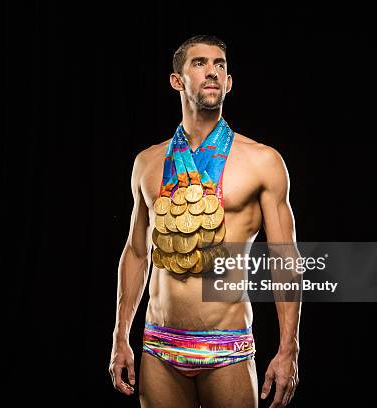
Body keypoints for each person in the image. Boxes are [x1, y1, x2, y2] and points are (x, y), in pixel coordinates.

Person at [109, 35, 301, 408]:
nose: (212, 72)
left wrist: (288, 349)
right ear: (176, 81)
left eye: (220, 65)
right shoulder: (147, 164)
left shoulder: (263, 162)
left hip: (226, 345)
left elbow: (285, 260)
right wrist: (120, 339)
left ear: (228, 83)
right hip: (159, 345)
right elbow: (135, 253)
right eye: (199, 63)